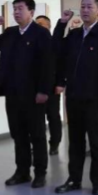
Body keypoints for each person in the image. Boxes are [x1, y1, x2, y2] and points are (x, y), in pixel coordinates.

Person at [52, 0, 98, 195]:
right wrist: (62, 23)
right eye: (83, 7)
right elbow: (56, 49)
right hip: (74, 96)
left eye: (90, 7)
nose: (85, 10)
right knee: (75, 141)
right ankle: (74, 179)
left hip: (96, 98)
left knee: (97, 142)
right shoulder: (74, 34)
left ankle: (97, 182)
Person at [0, 0, 55, 189]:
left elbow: (48, 64)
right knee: (18, 134)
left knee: (37, 135)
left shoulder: (41, 33)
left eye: (20, 9)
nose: (16, 12)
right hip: (13, 93)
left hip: (33, 94)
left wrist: (43, 90)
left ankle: (40, 173)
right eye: (14, 9)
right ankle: (22, 171)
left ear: (31, 12)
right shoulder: (10, 33)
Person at [35, 15, 63, 156]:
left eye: (41, 24)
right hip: (35, 88)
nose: (38, 27)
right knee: (36, 119)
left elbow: (61, 65)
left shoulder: (55, 43)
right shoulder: (32, 43)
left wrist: (60, 83)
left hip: (52, 87)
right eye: (36, 24)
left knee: (53, 117)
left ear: (49, 26)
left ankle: (54, 144)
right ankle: (37, 144)